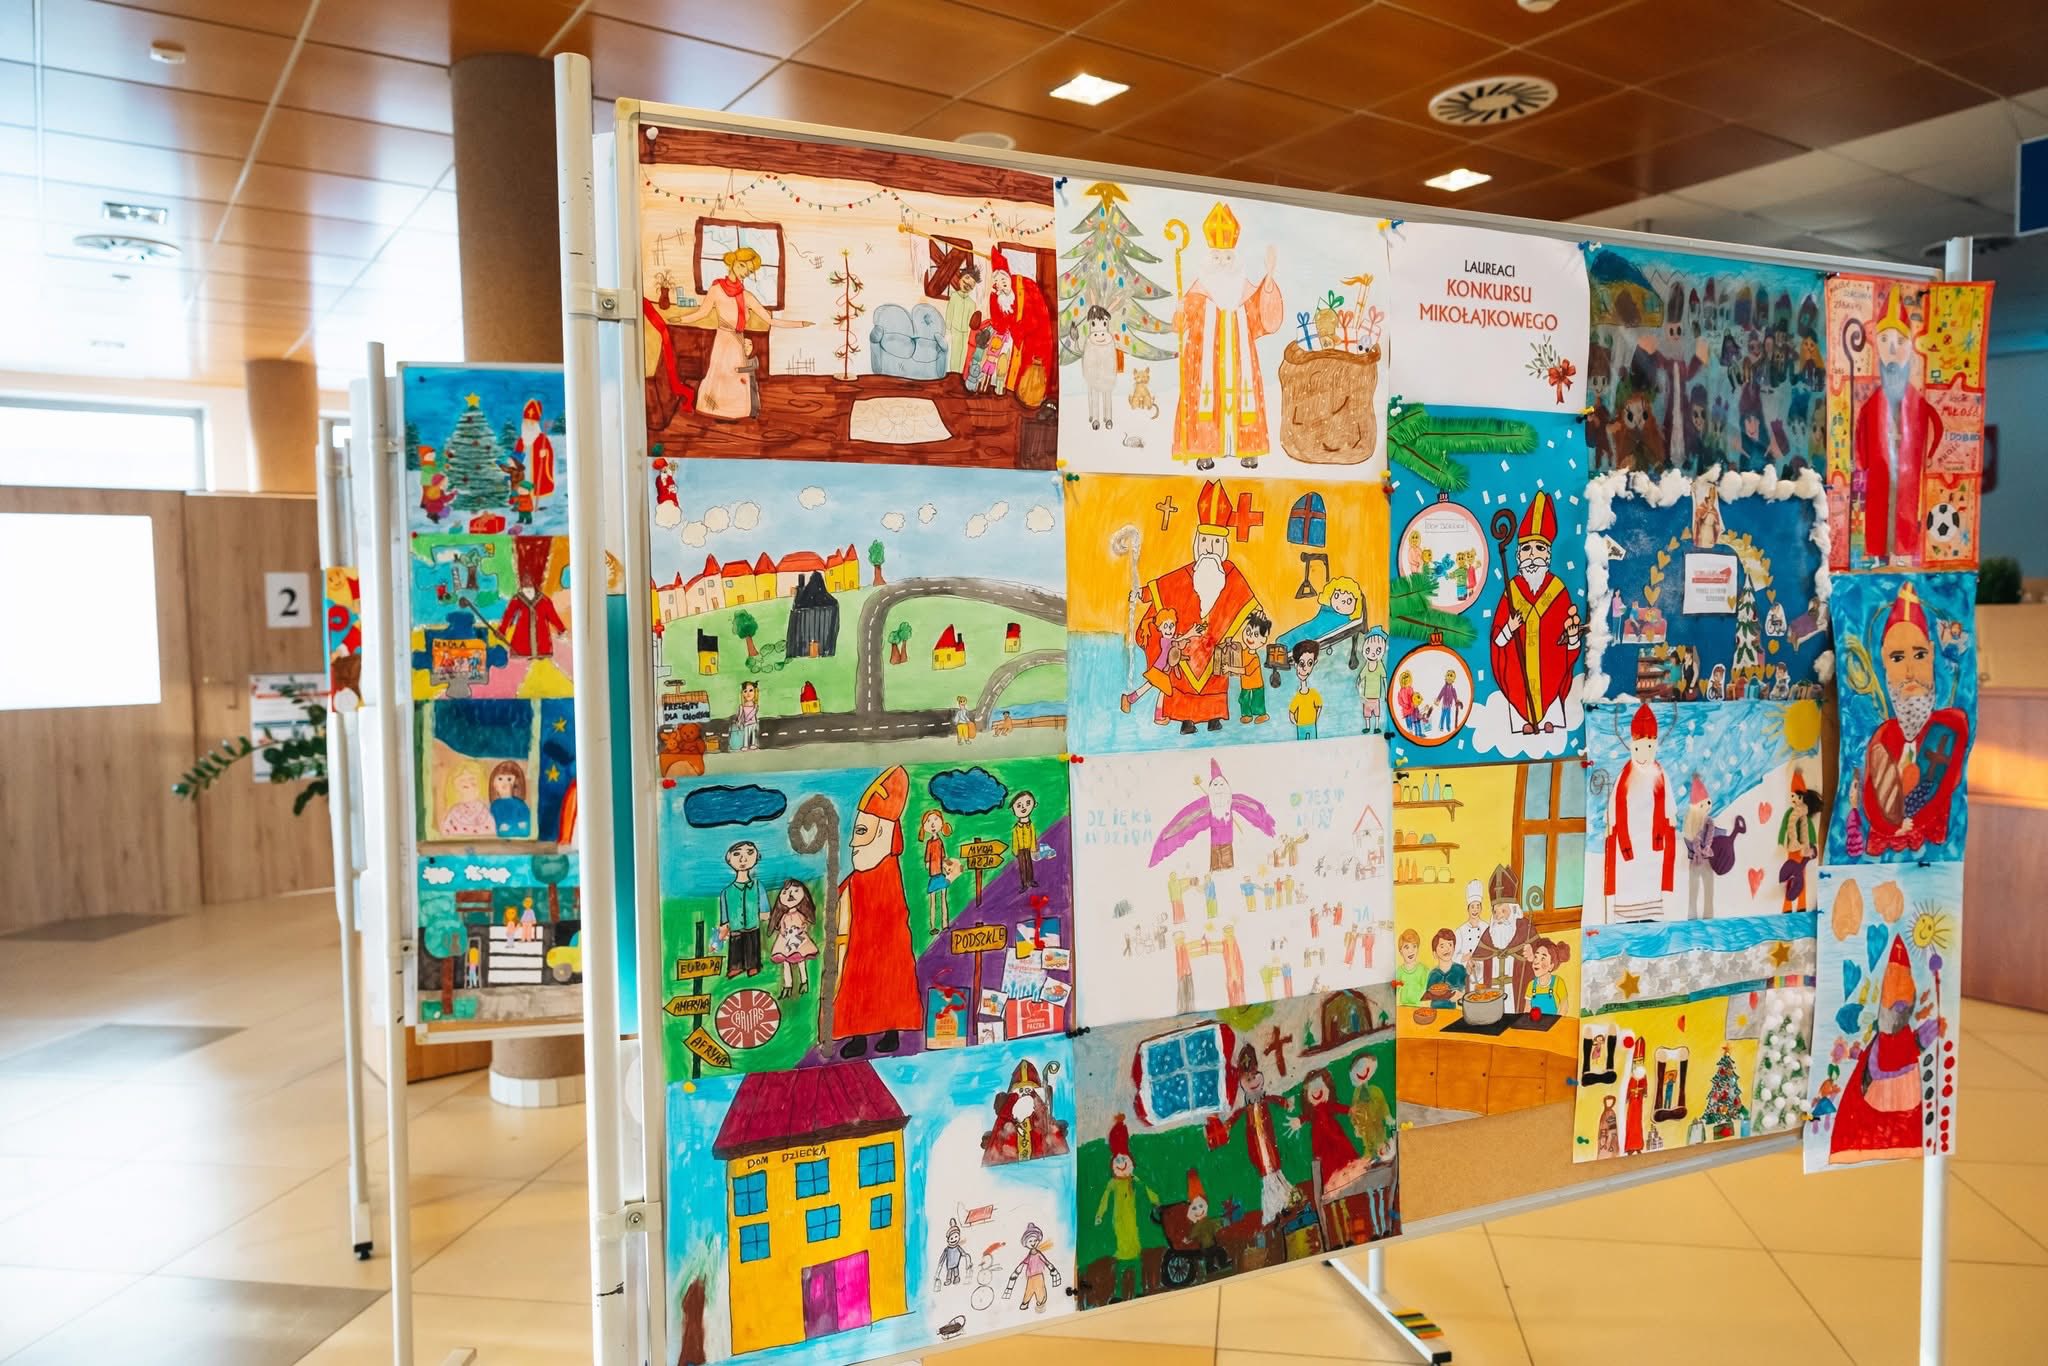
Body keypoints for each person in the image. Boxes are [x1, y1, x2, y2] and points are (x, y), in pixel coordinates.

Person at [1132, 480, 1263, 734]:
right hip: (1187, 646)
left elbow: (1246, 601)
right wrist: (1142, 593)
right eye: (1205, 541)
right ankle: (1186, 720)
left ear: (1223, 546)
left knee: (1216, 676)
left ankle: (1214, 717)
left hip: (1214, 645)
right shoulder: (1185, 575)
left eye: (1215, 543)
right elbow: (1164, 587)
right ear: (1198, 543)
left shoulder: (1231, 574)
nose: (1209, 548)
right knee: (1183, 679)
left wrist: (1258, 616)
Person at [1857, 583, 1969, 854]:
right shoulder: (1883, 736)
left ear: (1931, 653)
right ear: (1884, 661)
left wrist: (1908, 824)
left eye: (1919, 655)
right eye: (1897, 658)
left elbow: (1945, 786)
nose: (1909, 670)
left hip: (1932, 853)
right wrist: (1891, 826)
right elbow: (1871, 796)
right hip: (1883, 850)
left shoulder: (1950, 726)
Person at [1172, 201, 1283, 470]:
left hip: (1240, 362)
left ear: (1235, 259)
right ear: (1208, 259)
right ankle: (1205, 450)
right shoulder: (1198, 291)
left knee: (1245, 398)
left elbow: (1265, 319)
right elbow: (1180, 325)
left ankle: (1248, 449)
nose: (1222, 263)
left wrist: (1269, 278)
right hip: (1204, 363)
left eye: (1227, 258)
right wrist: (1180, 310)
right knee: (1205, 400)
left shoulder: (1244, 291)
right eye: (1217, 258)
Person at [831, 767, 923, 1057]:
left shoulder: (887, 873)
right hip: (859, 945)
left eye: (861, 832)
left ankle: (891, 1030)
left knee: (889, 981)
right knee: (857, 984)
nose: (853, 843)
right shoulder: (858, 878)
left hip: (885, 945)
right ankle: (857, 1035)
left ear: (882, 832)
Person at [1827, 935, 1937, 1164]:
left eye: (1901, 1004)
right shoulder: (1887, 1038)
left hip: (1901, 1098)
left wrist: (1925, 1034)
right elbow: (1890, 1056)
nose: (1897, 1007)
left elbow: (1904, 1050)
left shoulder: (1899, 1035)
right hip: (1882, 1098)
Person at [1853, 288, 1944, 562]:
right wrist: (1863, 461)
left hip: (1909, 482)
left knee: (1906, 515)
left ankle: (1902, 552)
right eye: (1884, 340)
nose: (1892, 349)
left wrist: (1929, 455)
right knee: (1879, 521)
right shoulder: (1870, 406)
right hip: (1880, 482)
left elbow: (1936, 428)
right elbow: (1861, 445)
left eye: (1900, 340)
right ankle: (1878, 554)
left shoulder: (1918, 403)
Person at [670, 246, 811, 421]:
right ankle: (716, 411)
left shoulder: (747, 296)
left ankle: (734, 412)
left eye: (750, 271)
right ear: (733, 262)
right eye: (743, 266)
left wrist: (800, 324)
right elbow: (702, 313)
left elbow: (770, 320)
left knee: (736, 377)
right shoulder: (716, 289)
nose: (745, 272)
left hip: (737, 340)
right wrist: (680, 319)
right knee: (721, 375)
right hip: (723, 339)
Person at [1489, 492, 1585, 735]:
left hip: (1550, 670)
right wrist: (1510, 628)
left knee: (1552, 682)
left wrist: (1572, 635)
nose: (1532, 556)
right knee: (1519, 684)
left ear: (1549, 555)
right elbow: (1497, 641)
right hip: (1518, 676)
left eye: (1540, 548)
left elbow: (1570, 643)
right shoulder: (1512, 591)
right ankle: (1524, 721)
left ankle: (1549, 719)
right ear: (1518, 555)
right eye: (1527, 549)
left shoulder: (1558, 590)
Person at [1204, 1042, 1296, 1224]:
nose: (1253, 1082)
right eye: (1248, 1079)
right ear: (1242, 1082)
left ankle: (1284, 1201)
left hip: (1268, 1140)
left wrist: (1285, 1102)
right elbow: (1235, 1117)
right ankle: (1274, 1208)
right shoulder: (1245, 1108)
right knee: (1264, 1169)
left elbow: (1274, 1099)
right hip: (1256, 1143)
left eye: (1254, 1077)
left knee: (1274, 1166)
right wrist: (1227, 1125)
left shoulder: (1264, 1100)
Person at [1604, 702, 1676, 920]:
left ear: (1655, 747)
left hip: (1653, 841)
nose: (1643, 756)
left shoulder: (1660, 775)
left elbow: (1669, 804)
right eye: (1638, 749)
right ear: (1632, 747)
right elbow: (1614, 805)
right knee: (1628, 873)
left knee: (1651, 873)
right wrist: (1611, 822)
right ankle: (1626, 912)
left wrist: (1670, 816)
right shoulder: (1624, 777)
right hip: (1629, 839)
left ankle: (1652, 911)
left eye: (1648, 748)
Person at [1092, 1115, 1159, 1303]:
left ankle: (1138, 1288)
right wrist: (1099, 1214)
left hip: (1133, 1223)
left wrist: (1156, 1201)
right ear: (1113, 1164)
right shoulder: (1113, 1183)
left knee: (1135, 1254)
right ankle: (1120, 1292)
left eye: (1124, 1159)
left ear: (1130, 1162)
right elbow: (1105, 1199)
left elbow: (1148, 1190)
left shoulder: (1134, 1180)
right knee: (1121, 1256)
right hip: (1119, 1224)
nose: (1121, 1163)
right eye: (1118, 1160)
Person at [1467, 864, 1532, 1012]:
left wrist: (1532, 956)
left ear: (1513, 910)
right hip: (1491, 1001)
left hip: (1517, 1000)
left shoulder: (1526, 932)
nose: (1499, 916)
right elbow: (1478, 968)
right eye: (1495, 911)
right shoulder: (1488, 936)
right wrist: (1474, 966)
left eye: (1503, 910)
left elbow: (1544, 959)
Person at [498, 536, 567, 659]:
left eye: (530, 579)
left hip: (542, 644)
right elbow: (509, 615)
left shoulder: (544, 600)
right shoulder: (517, 599)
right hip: (522, 642)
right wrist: (502, 630)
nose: (527, 582)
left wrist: (561, 629)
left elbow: (553, 616)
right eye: (525, 579)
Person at [717, 840, 766, 978]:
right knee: (736, 945)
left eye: (749, 853)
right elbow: (724, 907)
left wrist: (764, 911)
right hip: (735, 925)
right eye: (737, 854)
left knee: (752, 944)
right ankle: (736, 966)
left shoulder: (757, 885)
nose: (743, 859)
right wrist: (724, 923)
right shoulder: (727, 891)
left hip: (752, 923)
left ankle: (753, 965)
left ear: (756, 857)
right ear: (729, 859)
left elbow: (762, 900)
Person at [1777, 770, 1823, 913]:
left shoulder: (1805, 817)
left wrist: (1812, 845)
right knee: (1790, 876)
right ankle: (1787, 906)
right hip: (1793, 849)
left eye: (1795, 796)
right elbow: (1784, 827)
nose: (1793, 799)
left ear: (1802, 797)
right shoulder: (1789, 814)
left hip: (1803, 851)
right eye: (1791, 796)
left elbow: (1810, 830)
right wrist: (1781, 842)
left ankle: (1801, 905)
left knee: (1801, 876)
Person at [768, 878, 819, 999]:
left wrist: (800, 930)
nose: (790, 895)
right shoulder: (784, 916)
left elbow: (804, 925)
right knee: (786, 963)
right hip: (785, 941)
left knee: (801, 961)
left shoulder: (800, 914)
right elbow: (782, 927)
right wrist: (784, 932)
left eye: (796, 891)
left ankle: (804, 982)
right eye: (785, 892)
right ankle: (788, 985)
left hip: (798, 940)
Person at [1002, 1222, 1062, 1312]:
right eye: (1030, 1241)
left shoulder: (1038, 1254)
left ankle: (1040, 1305)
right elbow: (1022, 1264)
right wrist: (1016, 1273)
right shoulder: (1029, 1256)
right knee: (1028, 1291)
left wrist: (1052, 1269)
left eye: (1035, 1240)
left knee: (1040, 1292)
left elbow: (1046, 1262)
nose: (1033, 1243)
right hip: (1030, 1278)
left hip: (1039, 1276)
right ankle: (1025, 1303)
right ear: (1026, 1243)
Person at [940, 259, 983, 373]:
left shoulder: (972, 303)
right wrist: (947, 329)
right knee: (953, 352)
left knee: (962, 353)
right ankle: (952, 373)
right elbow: (949, 314)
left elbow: (971, 323)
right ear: (960, 280)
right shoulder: (954, 296)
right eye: (965, 281)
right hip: (954, 330)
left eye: (970, 285)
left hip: (965, 332)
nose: (967, 286)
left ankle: (959, 374)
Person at [917, 809, 953, 932]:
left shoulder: (940, 842)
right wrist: (929, 864)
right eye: (928, 821)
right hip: (933, 876)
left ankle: (945, 924)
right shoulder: (929, 843)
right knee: (933, 902)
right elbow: (927, 859)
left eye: (935, 820)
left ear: (941, 822)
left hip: (940, 875)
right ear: (924, 826)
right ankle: (933, 926)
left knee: (943, 900)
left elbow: (943, 857)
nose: (932, 824)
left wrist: (946, 867)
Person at [439, 765, 494, 837]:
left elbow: (492, 832)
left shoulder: (485, 810)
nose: (468, 782)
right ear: (455, 786)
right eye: (462, 780)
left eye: (472, 779)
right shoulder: (454, 812)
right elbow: (446, 834)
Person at [1236, 612, 1271, 724]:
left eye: (1256, 635)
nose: (1250, 637)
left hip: (1257, 684)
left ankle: (1262, 714)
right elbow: (1237, 660)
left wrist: (1229, 668)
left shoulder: (1255, 658)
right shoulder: (1243, 652)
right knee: (1244, 699)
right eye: (1248, 632)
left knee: (1257, 701)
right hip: (1245, 684)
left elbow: (1245, 670)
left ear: (1263, 640)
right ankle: (1246, 715)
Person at [1421, 927, 1467, 1010]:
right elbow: (1427, 997)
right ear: (1435, 954)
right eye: (1442, 946)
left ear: (1454, 949)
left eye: (1450, 945)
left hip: (1455, 1012)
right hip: (1435, 1012)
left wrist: (1461, 995)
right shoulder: (1433, 974)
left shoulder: (1460, 970)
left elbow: (1470, 992)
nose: (1447, 949)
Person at [1524, 936, 1570, 1016]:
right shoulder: (1531, 985)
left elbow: (1564, 1007)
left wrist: (1555, 1022)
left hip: (1553, 1022)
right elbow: (1527, 1009)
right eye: (1536, 957)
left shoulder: (1558, 982)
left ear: (1551, 966)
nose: (1536, 962)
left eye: (1543, 958)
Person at [1288, 639, 1323, 739]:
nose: (1305, 668)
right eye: (1301, 664)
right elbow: (1291, 713)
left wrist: (1315, 719)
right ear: (1296, 665)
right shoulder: (1297, 697)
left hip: (1311, 725)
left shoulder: (1313, 694)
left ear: (1315, 662)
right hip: (1301, 726)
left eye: (1310, 663)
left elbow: (1319, 706)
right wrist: (1296, 723)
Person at [487, 761, 531, 838]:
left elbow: (526, 826)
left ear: (516, 783)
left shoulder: (520, 804)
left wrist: (518, 826)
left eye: (509, 779)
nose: (505, 783)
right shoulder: (495, 806)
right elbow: (492, 826)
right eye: (500, 779)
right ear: (494, 784)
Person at [1358, 627, 1389, 734]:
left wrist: (1386, 694)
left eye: (1378, 650)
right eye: (1368, 650)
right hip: (1366, 697)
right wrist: (1359, 690)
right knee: (1367, 713)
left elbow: (1384, 680)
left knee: (1377, 713)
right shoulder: (1366, 666)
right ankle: (1367, 727)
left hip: (1376, 697)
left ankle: (1376, 727)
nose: (1372, 654)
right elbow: (1360, 678)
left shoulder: (1380, 666)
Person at [1392, 928, 1428, 1006]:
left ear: (1418, 948)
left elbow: (1427, 991)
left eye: (1414, 946)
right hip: (1403, 1007)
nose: (1411, 951)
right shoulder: (1399, 971)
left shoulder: (1423, 970)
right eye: (1406, 947)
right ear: (1400, 951)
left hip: (1419, 1007)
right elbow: (1394, 990)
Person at [1010, 790, 1039, 891]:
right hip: (1020, 850)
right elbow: (1015, 840)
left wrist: (1033, 848)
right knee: (1022, 867)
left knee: (1029, 865)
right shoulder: (1016, 828)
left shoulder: (1031, 825)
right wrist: (1015, 851)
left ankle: (1030, 880)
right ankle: (1024, 884)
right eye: (1019, 806)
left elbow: (1033, 837)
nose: (1023, 808)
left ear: (1034, 804)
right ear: (1013, 810)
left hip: (1028, 849)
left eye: (1027, 803)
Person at [730, 680, 761, 752]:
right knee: (746, 734)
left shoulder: (755, 706)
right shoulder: (742, 706)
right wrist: (738, 721)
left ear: (755, 692)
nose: (748, 693)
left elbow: (753, 714)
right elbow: (740, 715)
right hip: (746, 724)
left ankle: (753, 744)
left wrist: (747, 720)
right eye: (745, 691)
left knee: (753, 734)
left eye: (751, 690)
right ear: (742, 693)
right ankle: (745, 745)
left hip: (753, 723)